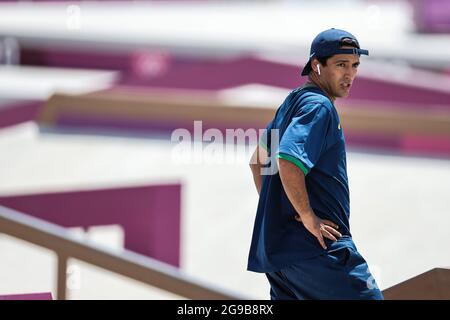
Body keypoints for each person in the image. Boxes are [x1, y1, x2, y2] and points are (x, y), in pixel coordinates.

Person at [247, 28, 383, 300]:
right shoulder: (318, 107)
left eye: (355, 65)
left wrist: (282, 213)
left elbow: (257, 161)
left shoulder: (292, 102)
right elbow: (287, 159)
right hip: (319, 250)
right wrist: (307, 217)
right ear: (316, 66)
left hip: (282, 258)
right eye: (341, 65)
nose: (350, 74)